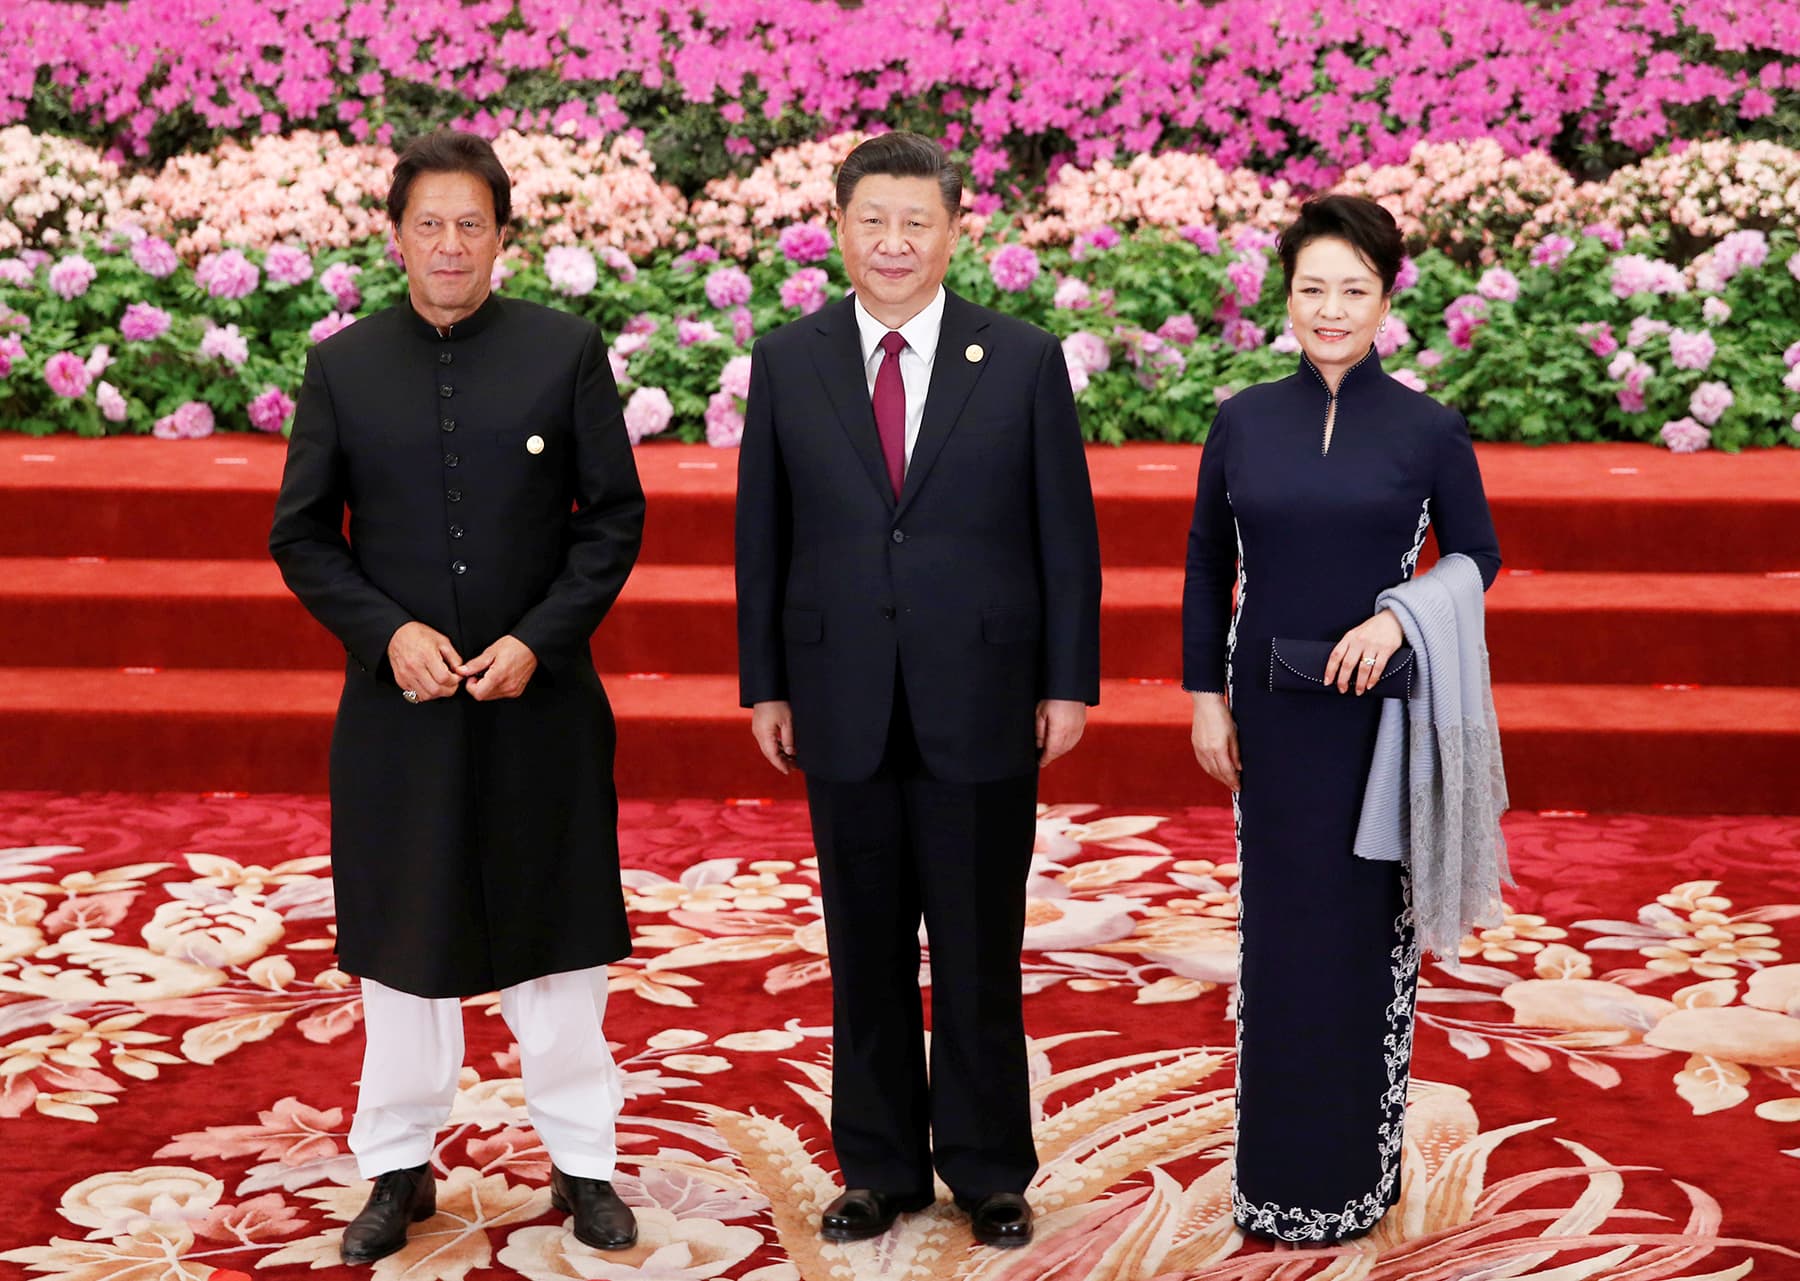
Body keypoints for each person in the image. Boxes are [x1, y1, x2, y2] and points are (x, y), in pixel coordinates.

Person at [269, 130, 646, 1265]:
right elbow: (303, 536)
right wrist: (387, 637)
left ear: (502, 238)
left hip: (541, 702)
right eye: (427, 224)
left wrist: (540, 638)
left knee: (560, 948)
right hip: (402, 713)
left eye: (468, 224)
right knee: (403, 950)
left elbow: (612, 519)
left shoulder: (563, 350)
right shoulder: (341, 365)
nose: (447, 244)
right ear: (395, 236)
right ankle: (396, 1169)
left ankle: (584, 1167)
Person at [735, 131, 1102, 1249]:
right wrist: (767, 683)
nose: (893, 243)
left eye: (916, 222)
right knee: (865, 946)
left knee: (982, 945)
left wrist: (1067, 681)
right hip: (841, 695)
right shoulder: (790, 361)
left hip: (982, 696)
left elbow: (1065, 537)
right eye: (872, 221)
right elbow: (765, 533)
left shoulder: (1024, 359)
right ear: (837, 226)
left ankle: (989, 1168)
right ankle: (879, 1168)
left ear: (956, 230)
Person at [1182, 194, 1501, 1244]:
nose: (1330, 309)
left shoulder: (1424, 425)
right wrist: (1201, 697)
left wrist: (1405, 620)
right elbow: (1205, 564)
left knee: (1364, 938)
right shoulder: (1243, 418)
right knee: (1281, 940)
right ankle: (1274, 1180)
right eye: (1312, 288)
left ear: (1385, 297)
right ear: (1286, 297)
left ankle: (1354, 1181)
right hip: (1272, 720)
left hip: (1380, 728)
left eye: (1352, 290)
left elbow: (1476, 555)